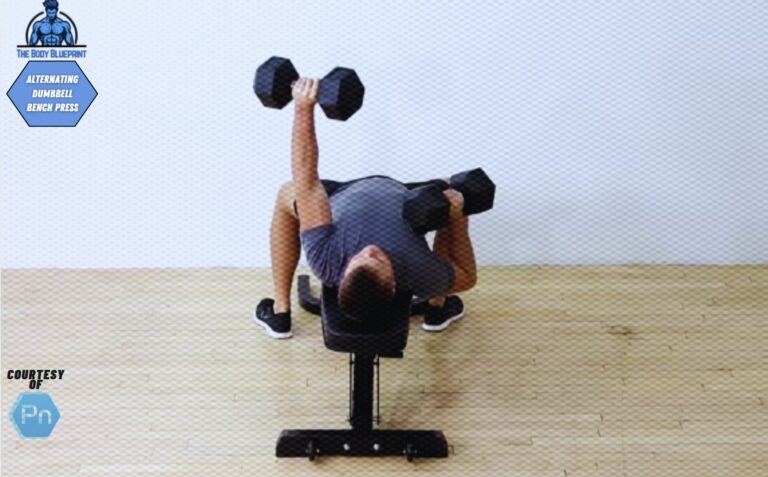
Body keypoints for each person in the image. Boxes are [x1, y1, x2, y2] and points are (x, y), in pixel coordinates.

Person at [254, 77, 477, 339]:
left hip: (341, 193)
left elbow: (308, 182)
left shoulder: (325, 260)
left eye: (358, 259)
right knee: (457, 196)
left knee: (287, 192)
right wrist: (458, 220)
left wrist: (303, 108)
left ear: (340, 280)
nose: (370, 250)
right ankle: (437, 307)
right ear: (393, 284)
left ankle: (280, 312)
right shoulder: (417, 272)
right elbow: (468, 276)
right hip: (403, 197)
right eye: (379, 260)